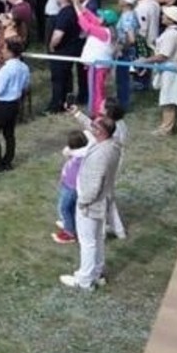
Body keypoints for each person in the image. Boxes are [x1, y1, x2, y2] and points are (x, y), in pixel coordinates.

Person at [60, 116, 120, 291]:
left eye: (94, 127)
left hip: (91, 203)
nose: (90, 128)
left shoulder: (100, 155)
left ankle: (84, 280)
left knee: (87, 242)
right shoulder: (112, 144)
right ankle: (97, 272)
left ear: (100, 132)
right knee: (97, 238)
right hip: (102, 200)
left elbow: (94, 185)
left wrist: (83, 202)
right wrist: (77, 114)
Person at [0, 38, 30, 172]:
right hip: (15, 103)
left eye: (5, 49)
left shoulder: (6, 69)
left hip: (3, 104)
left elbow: (0, 88)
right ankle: (7, 161)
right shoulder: (24, 67)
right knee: (9, 133)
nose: (3, 51)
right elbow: (26, 84)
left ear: (10, 52)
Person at [146, 5, 177, 135]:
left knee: (168, 99)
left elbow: (163, 55)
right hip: (174, 67)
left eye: (165, 15)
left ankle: (166, 128)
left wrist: (145, 60)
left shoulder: (171, 34)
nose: (162, 16)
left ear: (171, 19)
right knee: (171, 98)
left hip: (170, 69)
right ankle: (171, 126)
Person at [52, 130, 91, 244]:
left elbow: (66, 152)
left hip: (71, 187)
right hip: (72, 186)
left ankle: (69, 233)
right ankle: (73, 226)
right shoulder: (85, 153)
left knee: (64, 208)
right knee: (72, 208)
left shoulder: (79, 154)